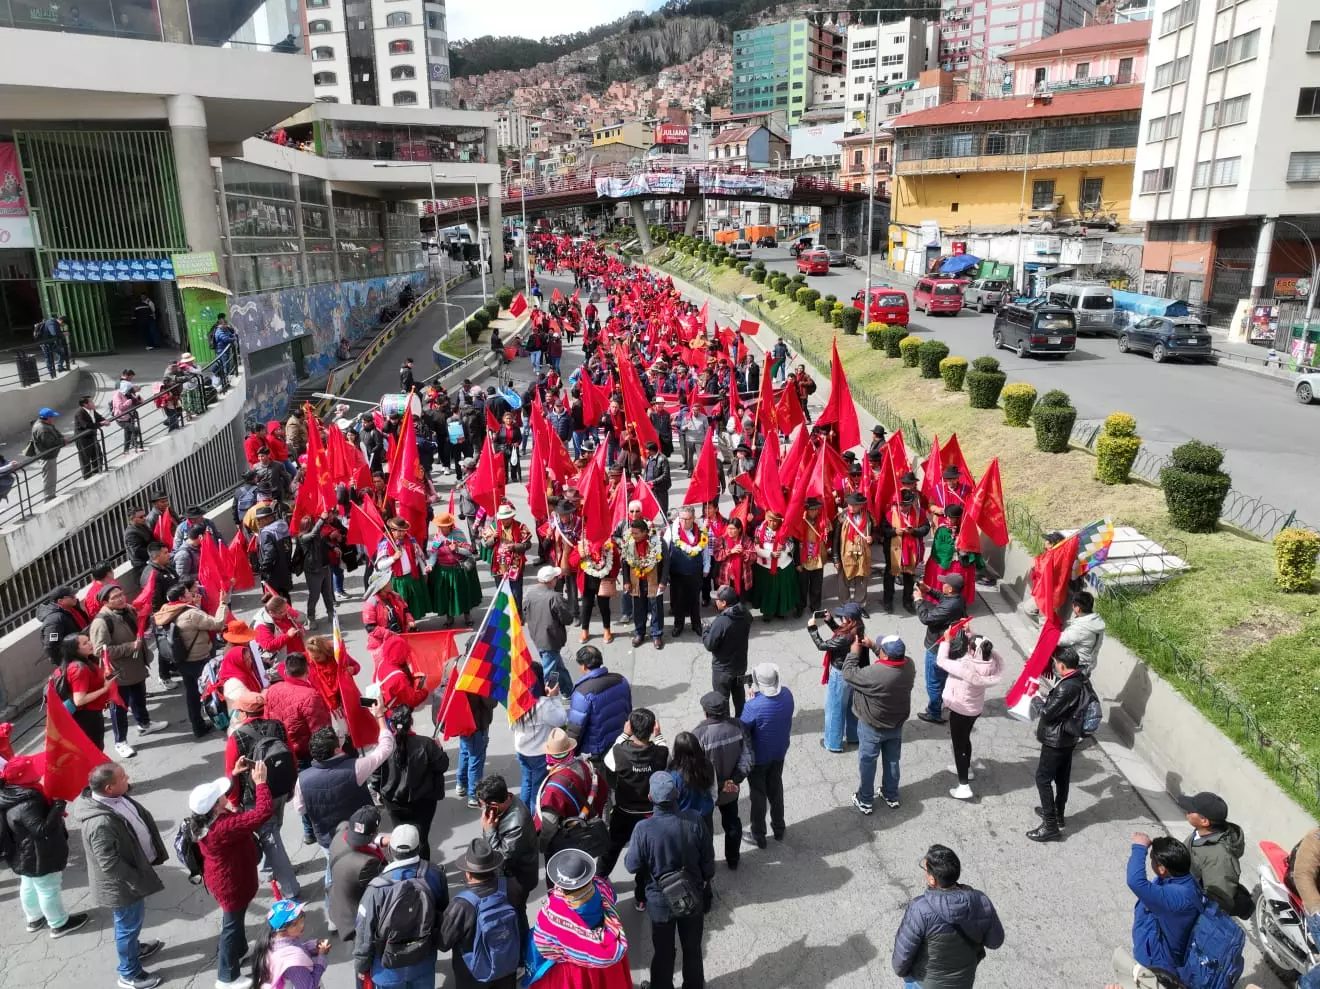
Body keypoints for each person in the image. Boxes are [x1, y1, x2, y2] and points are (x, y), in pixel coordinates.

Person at [75, 762, 168, 989]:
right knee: (127, 925)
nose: (128, 779)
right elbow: (109, 863)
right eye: (123, 777)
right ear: (108, 788)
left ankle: (134, 951)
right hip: (122, 886)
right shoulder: (100, 822)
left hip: (132, 876)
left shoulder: (114, 798)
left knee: (131, 923)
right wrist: (137, 879)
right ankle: (129, 973)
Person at [294, 714, 395, 922]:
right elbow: (385, 749)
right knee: (372, 865)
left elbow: (300, 809)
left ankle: (336, 917)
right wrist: (380, 719)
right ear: (336, 750)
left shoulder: (302, 779)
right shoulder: (354, 768)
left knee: (334, 872)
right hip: (359, 832)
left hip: (327, 837)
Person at [188, 758, 275, 989]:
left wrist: (234, 774)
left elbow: (225, 797)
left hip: (224, 879)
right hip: (232, 883)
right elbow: (263, 812)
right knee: (231, 926)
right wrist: (261, 783)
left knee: (235, 921)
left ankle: (239, 951)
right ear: (216, 806)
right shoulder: (224, 827)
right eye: (220, 796)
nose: (225, 795)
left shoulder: (202, 820)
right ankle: (227, 977)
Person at [626, 771, 715, 989]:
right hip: (692, 894)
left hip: (660, 902)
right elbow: (708, 862)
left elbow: (631, 865)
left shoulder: (643, 829)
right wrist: (703, 881)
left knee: (664, 951)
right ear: (676, 794)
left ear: (650, 798)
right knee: (692, 947)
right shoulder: (694, 819)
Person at [891, 844, 1005, 989]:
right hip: (963, 982)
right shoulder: (980, 900)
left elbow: (901, 960)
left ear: (932, 880)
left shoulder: (920, 909)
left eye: (925, 870)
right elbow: (995, 942)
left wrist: (906, 976)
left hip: (925, 983)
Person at [353, 824, 449, 989]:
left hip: (387, 970)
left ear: (389, 850)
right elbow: (443, 913)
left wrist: (361, 966)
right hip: (423, 960)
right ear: (419, 847)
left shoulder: (376, 888)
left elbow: (364, 931)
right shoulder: (435, 874)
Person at [0, 755, 87, 938]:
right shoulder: (27, 803)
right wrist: (58, 805)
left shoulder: (11, 794)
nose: (37, 773)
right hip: (39, 853)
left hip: (23, 853)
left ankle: (34, 918)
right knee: (48, 887)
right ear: (24, 776)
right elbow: (41, 830)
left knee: (29, 885)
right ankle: (59, 923)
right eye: (32, 770)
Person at [525, 848, 632, 988]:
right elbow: (613, 898)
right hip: (609, 969)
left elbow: (542, 944)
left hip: (576, 971)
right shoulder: (602, 887)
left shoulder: (552, 913)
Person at [1112, 834, 1202, 989]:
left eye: (1152, 858)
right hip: (1155, 952)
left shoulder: (1175, 897)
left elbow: (1135, 881)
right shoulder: (1183, 880)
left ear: (1162, 869)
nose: (1150, 861)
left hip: (1157, 966)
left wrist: (1139, 847)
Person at [437, 838, 525, 989]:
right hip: (506, 965)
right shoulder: (512, 887)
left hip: (473, 975)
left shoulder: (461, 904)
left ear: (468, 874)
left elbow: (443, 943)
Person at [90, 584, 165, 758]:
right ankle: (120, 741)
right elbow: (100, 650)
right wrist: (129, 647)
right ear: (105, 602)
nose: (121, 598)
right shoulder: (102, 622)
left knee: (139, 696)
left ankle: (144, 723)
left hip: (136, 665)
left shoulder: (127, 610)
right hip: (119, 671)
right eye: (115, 597)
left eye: (121, 594)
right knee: (119, 707)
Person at [844, 634, 915, 815]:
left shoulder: (874, 674)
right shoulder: (909, 665)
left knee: (868, 762)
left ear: (884, 655)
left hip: (872, 725)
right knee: (892, 760)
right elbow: (890, 661)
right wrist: (875, 647)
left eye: (881, 649)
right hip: (896, 723)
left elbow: (849, 674)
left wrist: (854, 652)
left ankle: (865, 800)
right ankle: (891, 794)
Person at [602, 708, 669, 889]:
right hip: (650, 814)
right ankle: (641, 896)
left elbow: (609, 761)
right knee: (646, 854)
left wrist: (624, 735)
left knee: (612, 848)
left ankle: (599, 880)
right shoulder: (661, 753)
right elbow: (664, 748)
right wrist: (659, 735)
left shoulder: (618, 752)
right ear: (653, 729)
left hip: (624, 811)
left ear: (630, 727)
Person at [154, 580, 230, 739]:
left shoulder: (167, 610)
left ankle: (198, 725)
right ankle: (222, 721)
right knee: (212, 691)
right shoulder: (190, 614)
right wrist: (223, 604)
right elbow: (216, 623)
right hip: (199, 658)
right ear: (182, 598)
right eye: (188, 592)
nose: (192, 593)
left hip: (182, 659)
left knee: (192, 693)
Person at [1027, 646, 1089, 842]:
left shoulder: (1066, 687)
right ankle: (1057, 813)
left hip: (1056, 739)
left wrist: (1036, 698)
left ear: (1062, 665)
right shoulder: (1080, 679)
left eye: (1055, 663)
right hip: (1068, 738)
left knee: (1042, 778)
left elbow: (1046, 714)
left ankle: (1050, 824)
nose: (1054, 666)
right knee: (1062, 777)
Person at [372, 706, 448, 862]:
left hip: (393, 801)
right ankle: (424, 869)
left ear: (391, 725)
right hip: (424, 801)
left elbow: (375, 775)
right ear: (411, 722)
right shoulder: (427, 744)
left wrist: (378, 791)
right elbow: (442, 765)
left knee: (400, 838)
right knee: (421, 839)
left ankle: (403, 866)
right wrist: (439, 748)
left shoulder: (384, 747)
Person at [937, 633, 1003, 800]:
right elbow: (983, 648)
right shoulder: (991, 664)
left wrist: (946, 641)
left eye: (970, 646)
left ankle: (964, 785)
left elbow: (942, 661)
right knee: (965, 739)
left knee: (959, 746)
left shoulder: (966, 666)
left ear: (973, 651)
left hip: (960, 709)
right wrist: (971, 634)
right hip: (975, 709)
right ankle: (967, 769)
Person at [690, 694, 751, 867]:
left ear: (705, 713)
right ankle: (733, 860)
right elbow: (748, 757)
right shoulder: (738, 727)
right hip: (731, 790)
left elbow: (694, 770)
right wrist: (734, 780)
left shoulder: (698, 734)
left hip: (706, 793)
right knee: (732, 823)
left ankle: (707, 865)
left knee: (706, 830)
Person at [740, 663, 794, 847]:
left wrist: (750, 702)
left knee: (758, 794)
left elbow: (743, 728)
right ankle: (779, 828)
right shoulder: (787, 695)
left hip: (759, 757)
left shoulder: (753, 706)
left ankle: (758, 834)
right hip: (779, 751)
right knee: (776, 788)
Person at [809, 604, 867, 754]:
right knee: (851, 706)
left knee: (834, 709)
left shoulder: (845, 637)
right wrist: (829, 622)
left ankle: (833, 743)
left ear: (848, 619)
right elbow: (841, 634)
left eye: (842, 616)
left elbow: (822, 645)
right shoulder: (858, 629)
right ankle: (854, 736)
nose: (840, 617)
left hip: (841, 675)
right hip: (855, 672)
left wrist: (812, 629)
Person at [475, 774, 540, 902]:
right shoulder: (508, 801)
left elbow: (500, 859)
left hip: (516, 880)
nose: (481, 808)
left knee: (517, 911)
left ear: (493, 805)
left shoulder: (516, 824)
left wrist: (489, 830)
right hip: (508, 874)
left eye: (481, 805)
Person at [1179, 791, 1246, 915]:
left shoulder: (1219, 858)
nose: (1187, 810)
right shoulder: (1203, 832)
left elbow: (1219, 899)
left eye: (1191, 810)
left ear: (1204, 821)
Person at [914, 574, 969, 726]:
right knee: (943, 679)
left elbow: (926, 618)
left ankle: (934, 713)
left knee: (933, 682)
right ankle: (945, 703)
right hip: (948, 646)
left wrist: (919, 599)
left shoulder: (950, 606)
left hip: (937, 647)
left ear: (950, 589)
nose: (942, 585)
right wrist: (929, 590)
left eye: (944, 584)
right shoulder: (957, 598)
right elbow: (942, 597)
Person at [328, 807, 388, 940]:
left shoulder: (341, 831)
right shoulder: (366, 864)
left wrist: (380, 839)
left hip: (338, 900)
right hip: (356, 918)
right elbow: (381, 889)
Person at [566, 645, 632, 765]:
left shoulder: (582, 693)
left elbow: (575, 729)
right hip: (620, 740)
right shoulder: (621, 680)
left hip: (596, 749)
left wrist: (569, 752)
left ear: (583, 666)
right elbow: (628, 709)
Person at [250, 900, 331, 989]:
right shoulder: (293, 964)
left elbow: (296, 947)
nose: (302, 925)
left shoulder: (273, 939)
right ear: (281, 930)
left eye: (301, 918)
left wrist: (313, 946)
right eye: (295, 924)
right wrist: (322, 957)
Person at [524, 565, 576, 697]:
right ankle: (547, 695)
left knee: (557, 666)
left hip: (537, 636)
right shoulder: (554, 597)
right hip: (550, 639)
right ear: (551, 580)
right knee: (550, 671)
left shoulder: (529, 593)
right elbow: (567, 618)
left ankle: (568, 691)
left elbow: (524, 611)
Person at [703, 585, 751, 717]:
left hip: (723, 671)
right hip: (740, 666)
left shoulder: (722, 621)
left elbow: (709, 644)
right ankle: (742, 721)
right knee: (739, 696)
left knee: (722, 701)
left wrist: (706, 630)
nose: (715, 601)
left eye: (717, 599)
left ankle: (728, 727)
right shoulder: (746, 614)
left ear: (724, 603)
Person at [666, 506, 708, 637]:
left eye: (687, 519)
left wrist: (707, 567)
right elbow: (665, 549)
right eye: (681, 518)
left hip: (695, 572)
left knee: (694, 600)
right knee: (678, 601)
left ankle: (696, 624)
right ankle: (678, 625)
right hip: (677, 573)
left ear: (693, 518)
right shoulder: (672, 530)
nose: (683, 522)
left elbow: (706, 551)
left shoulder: (701, 531)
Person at [1057, 590, 1106, 675]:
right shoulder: (1095, 622)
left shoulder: (1081, 628)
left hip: (1075, 666)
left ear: (1077, 608)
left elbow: (1060, 640)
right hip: (1087, 665)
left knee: (1064, 687)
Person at [39, 584, 89, 666]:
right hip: (75, 661)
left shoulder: (72, 607)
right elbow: (50, 646)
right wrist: (66, 664)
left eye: (75, 595)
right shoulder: (54, 620)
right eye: (72, 596)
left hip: (85, 650)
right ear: (60, 601)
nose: (75, 598)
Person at [30, 407, 64, 502]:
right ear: (48, 418)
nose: (54, 419)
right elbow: (50, 443)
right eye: (52, 417)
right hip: (47, 457)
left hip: (50, 456)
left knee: (51, 476)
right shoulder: (42, 428)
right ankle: (49, 497)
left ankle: (50, 495)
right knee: (49, 477)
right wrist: (62, 440)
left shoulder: (47, 424)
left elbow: (57, 433)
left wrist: (61, 438)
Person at [73, 394, 106, 478]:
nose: (93, 403)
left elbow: (99, 418)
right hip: (83, 439)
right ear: (85, 404)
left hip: (92, 436)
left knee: (98, 454)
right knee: (85, 458)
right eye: (91, 401)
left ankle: (97, 471)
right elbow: (86, 425)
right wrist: (100, 424)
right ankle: (87, 476)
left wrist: (104, 421)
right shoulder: (80, 413)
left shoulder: (92, 410)